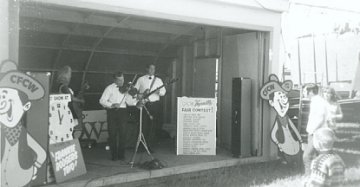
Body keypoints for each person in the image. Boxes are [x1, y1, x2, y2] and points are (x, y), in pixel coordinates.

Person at [134, 64, 166, 152]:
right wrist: (141, 95)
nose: (152, 70)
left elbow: (163, 92)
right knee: (143, 125)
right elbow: (135, 91)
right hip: (144, 104)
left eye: (154, 69)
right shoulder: (141, 79)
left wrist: (158, 91)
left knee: (153, 126)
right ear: (146, 69)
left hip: (155, 105)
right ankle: (141, 146)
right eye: (151, 68)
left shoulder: (159, 80)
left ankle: (150, 146)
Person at [100, 72, 131, 161]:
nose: (122, 82)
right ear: (115, 80)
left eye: (123, 79)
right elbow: (102, 100)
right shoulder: (109, 88)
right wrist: (112, 105)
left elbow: (129, 101)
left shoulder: (126, 89)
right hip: (112, 112)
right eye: (119, 80)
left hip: (123, 111)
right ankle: (114, 155)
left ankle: (121, 155)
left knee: (123, 133)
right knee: (112, 134)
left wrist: (136, 99)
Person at [302, 84, 329, 175]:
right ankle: (321, 176)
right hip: (315, 132)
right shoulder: (315, 101)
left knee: (307, 156)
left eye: (304, 91)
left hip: (317, 133)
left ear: (310, 92)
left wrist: (313, 130)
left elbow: (321, 118)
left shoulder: (318, 102)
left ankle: (308, 178)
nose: (303, 93)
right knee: (319, 156)